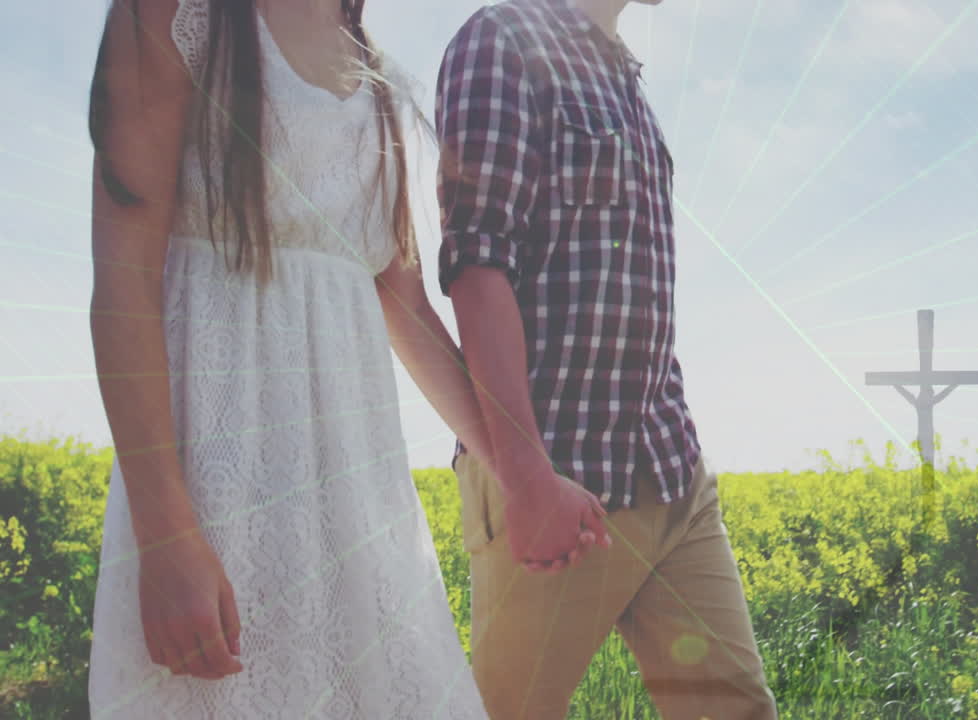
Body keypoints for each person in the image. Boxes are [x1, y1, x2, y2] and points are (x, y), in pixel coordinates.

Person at [83, 1, 604, 716]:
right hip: (215, 496)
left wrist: (524, 478)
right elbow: (123, 282)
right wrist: (166, 536)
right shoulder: (184, 13)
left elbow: (408, 308)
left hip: (359, 509)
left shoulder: (375, 77)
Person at [435, 0, 779, 717]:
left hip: (671, 472)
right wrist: (527, 479)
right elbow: (477, 262)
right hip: (557, 476)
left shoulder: (626, 80)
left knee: (738, 709)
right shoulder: (504, 39)